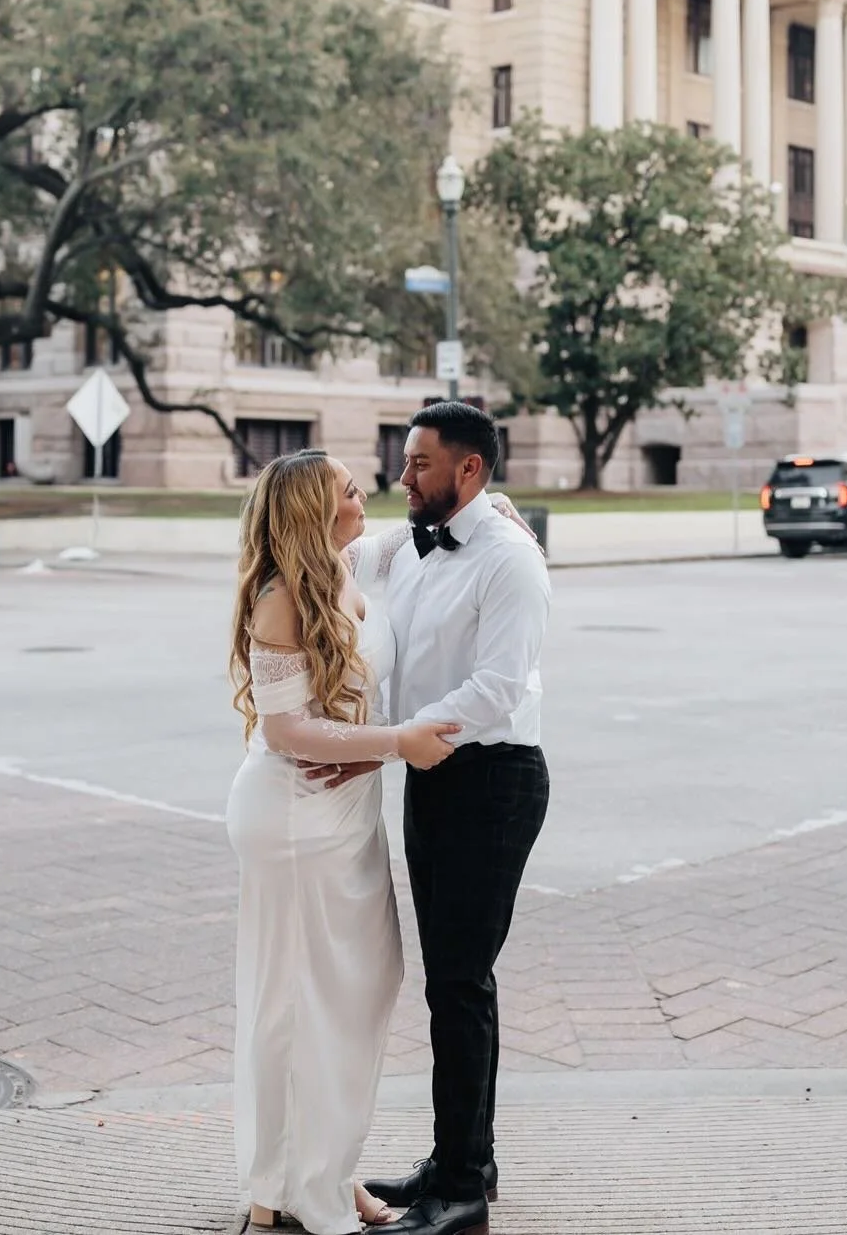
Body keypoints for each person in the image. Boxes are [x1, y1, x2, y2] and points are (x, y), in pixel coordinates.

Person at [315, 403, 551, 1235]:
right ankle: (465, 1158)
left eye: (418, 464)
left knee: (459, 983)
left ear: (470, 471)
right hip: (433, 775)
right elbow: (331, 548)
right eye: (404, 461)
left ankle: (462, 1193)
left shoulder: (510, 560)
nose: (401, 478)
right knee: (448, 980)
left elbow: (497, 688)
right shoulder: (411, 538)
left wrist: (390, 742)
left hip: (491, 778)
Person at [226, 450, 461, 1234]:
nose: (367, 498)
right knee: (299, 1004)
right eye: (351, 491)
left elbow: (405, 536)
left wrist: (495, 513)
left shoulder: (341, 562)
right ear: (313, 514)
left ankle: (323, 1169)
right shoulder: (280, 597)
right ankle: (279, 1190)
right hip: (295, 818)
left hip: (347, 814)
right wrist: (400, 741)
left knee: (356, 992)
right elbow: (289, 730)